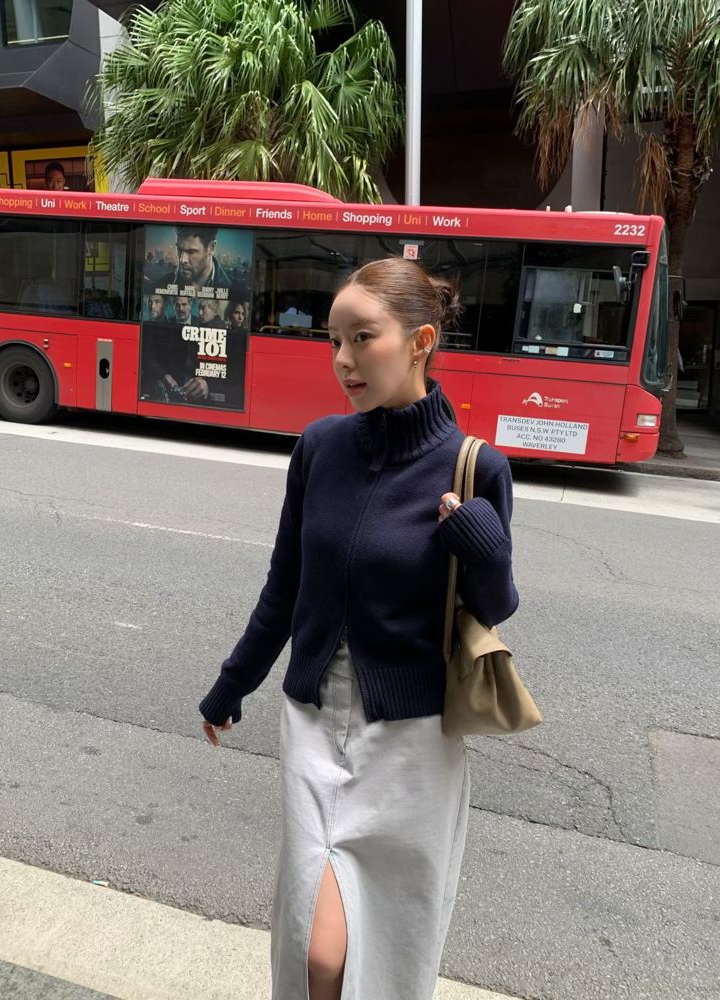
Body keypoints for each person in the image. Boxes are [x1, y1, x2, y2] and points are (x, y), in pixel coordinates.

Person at [199, 257, 519, 1000]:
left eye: (362, 337)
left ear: (420, 342)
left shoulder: (476, 467)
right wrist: (232, 682)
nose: (343, 359)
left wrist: (481, 542)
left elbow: (496, 605)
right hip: (312, 719)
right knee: (314, 953)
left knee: (388, 942)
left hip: (412, 740)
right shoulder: (320, 447)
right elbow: (285, 585)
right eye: (334, 339)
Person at [149, 227, 231, 294]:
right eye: (179, 249)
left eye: (191, 252)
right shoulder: (156, 288)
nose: (182, 260)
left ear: (211, 248)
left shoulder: (233, 290)